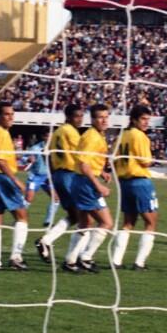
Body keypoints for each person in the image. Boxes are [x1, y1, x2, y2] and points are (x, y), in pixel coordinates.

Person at [0, 101, 32, 271]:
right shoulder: (1, 133)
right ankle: (16, 257)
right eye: (6, 114)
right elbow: (0, 160)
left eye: (12, 114)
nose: (10, 117)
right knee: (22, 216)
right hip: (1, 177)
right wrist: (15, 180)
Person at [65, 103, 116, 273]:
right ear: (93, 119)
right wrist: (99, 186)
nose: (104, 120)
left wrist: (101, 172)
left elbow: (89, 162)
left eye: (106, 117)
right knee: (106, 222)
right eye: (100, 117)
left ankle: (71, 261)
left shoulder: (96, 135)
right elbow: (84, 165)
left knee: (86, 222)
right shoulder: (92, 137)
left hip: (83, 182)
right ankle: (86, 257)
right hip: (85, 184)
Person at [35, 103, 85, 266]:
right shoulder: (71, 132)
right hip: (70, 175)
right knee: (86, 217)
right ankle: (77, 258)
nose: (80, 119)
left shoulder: (56, 132)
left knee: (74, 215)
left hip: (59, 176)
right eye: (77, 116)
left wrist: (53, 175)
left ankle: (47, 240)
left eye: (81, 116)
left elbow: (46, 154)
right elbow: (82, 156)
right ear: (68, 116)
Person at [111, 104, 159, 270]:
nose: (146, 123)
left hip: (124, 182)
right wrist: (152, 159)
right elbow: (145, 161)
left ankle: (116, 261)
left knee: (128, 223)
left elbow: (113, 159)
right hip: (140, 181)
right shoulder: (140, 136)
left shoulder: (121, 135)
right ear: (134, 120)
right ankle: (139, 262)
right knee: (151, 222)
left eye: (148, 119)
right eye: (143, 119)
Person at [19, 133, 59, 227]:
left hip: (48, 177)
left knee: (56, 198)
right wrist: (28, 159)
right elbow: (22, 159)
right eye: (46, 136)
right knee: (29, 198)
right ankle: (19, 218)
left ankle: (48, 221)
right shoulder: (35, 148)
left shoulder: (55, 148)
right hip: (35, 176)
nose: (48, 138)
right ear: (43, 137)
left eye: (50, 136)